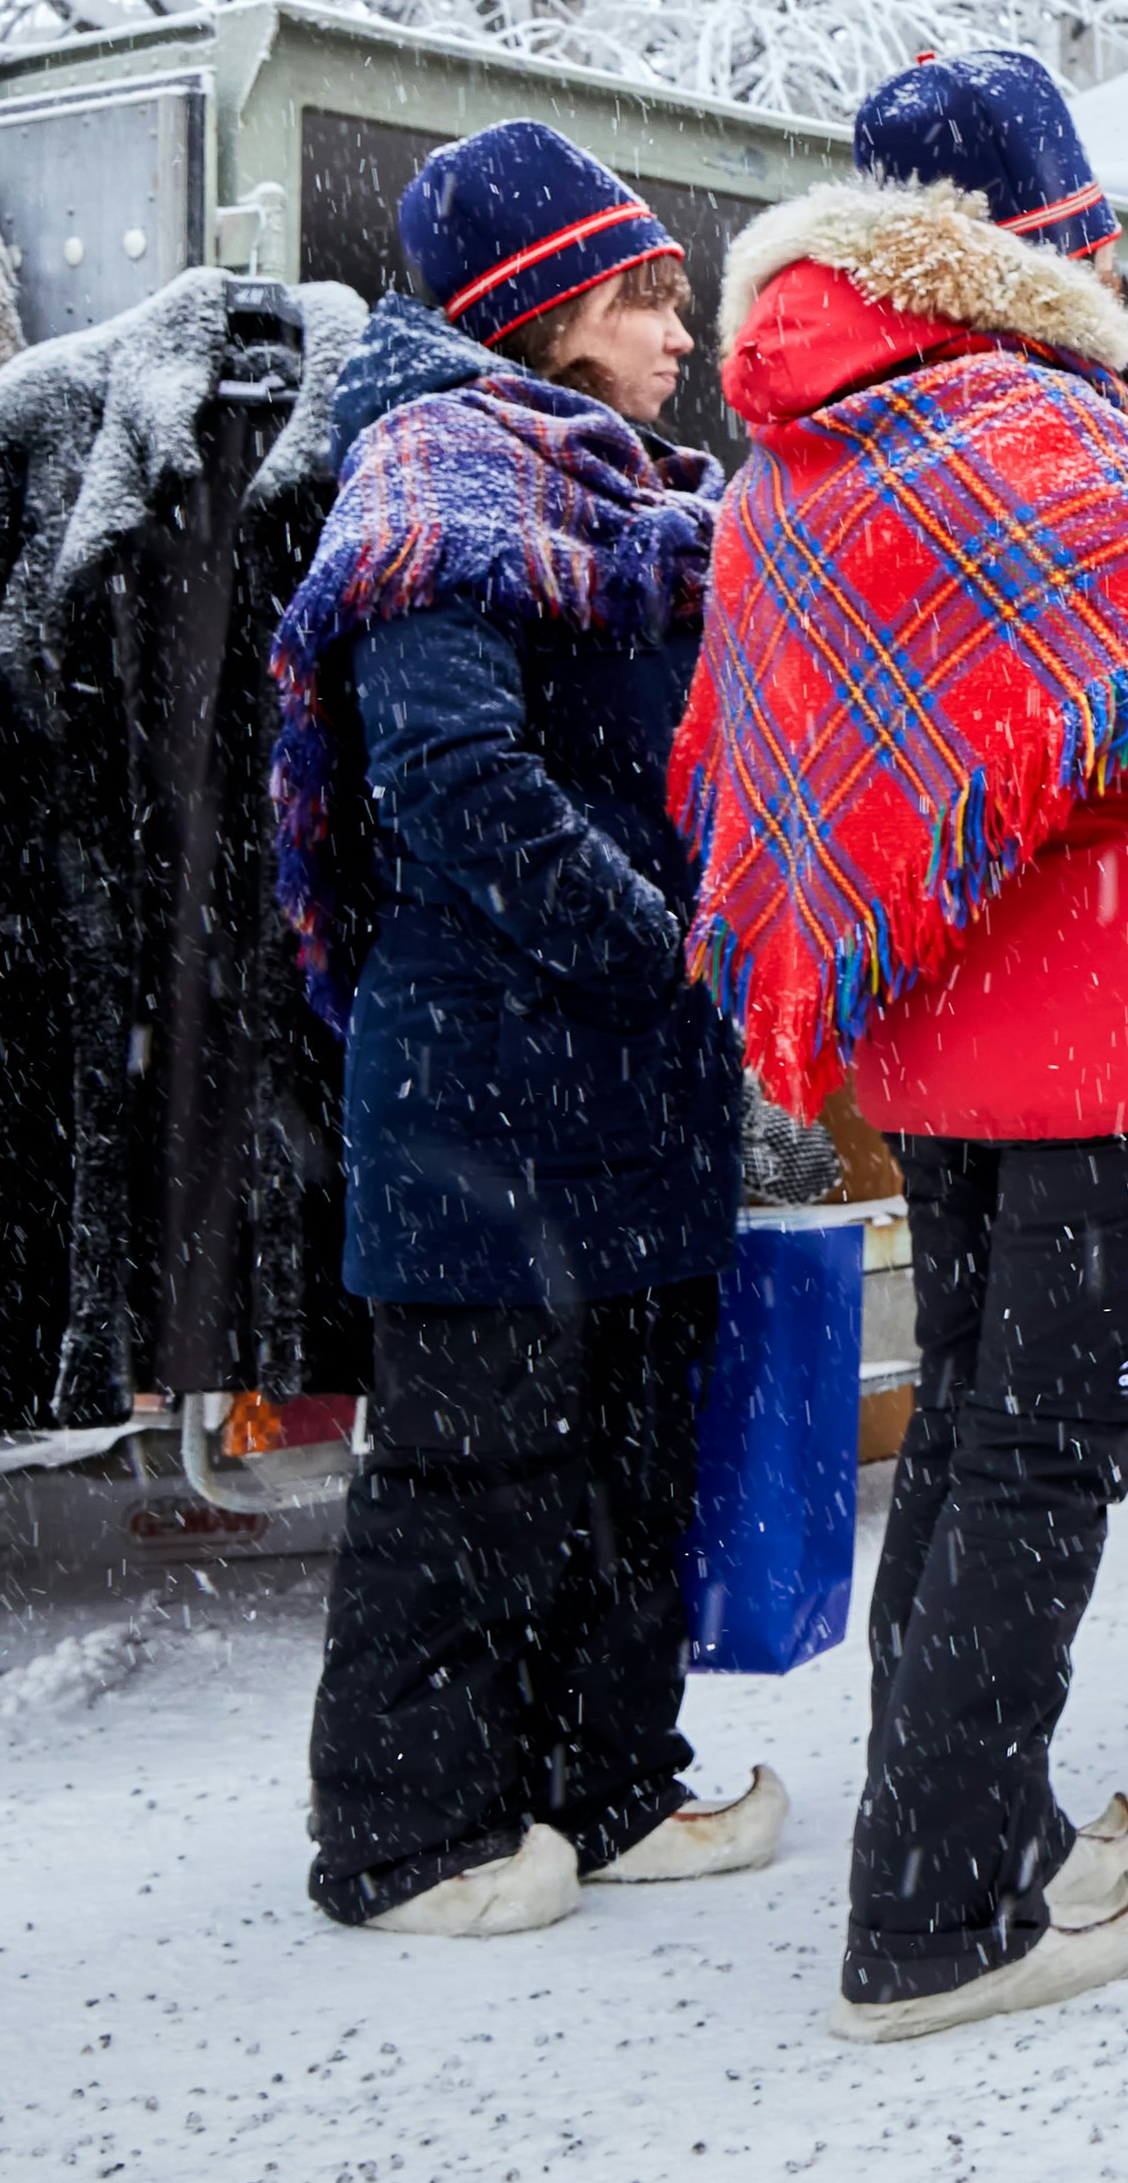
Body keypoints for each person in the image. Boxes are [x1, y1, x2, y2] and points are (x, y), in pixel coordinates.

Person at [678, 49, 1128, 2039]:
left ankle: (958, 1827)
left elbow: (766, 756)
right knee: (1042, 1455)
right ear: (1035, 239)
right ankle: (947, 1914)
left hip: (933, 1021)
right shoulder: (1035, 429)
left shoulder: (793, 452)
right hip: (1107, 1016)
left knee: (968, 1440)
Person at [270, 121, 768, 1937]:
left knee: (634, 1450)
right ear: (543, 309)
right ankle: (409, 1836)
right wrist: (667, 948)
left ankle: (605, 1783)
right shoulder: (434, 472)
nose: (676, 336)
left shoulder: (629, 488)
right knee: (474, 1465)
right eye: (647, 301)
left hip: (628, 1074)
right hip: (487, 1074)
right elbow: (452, 779)